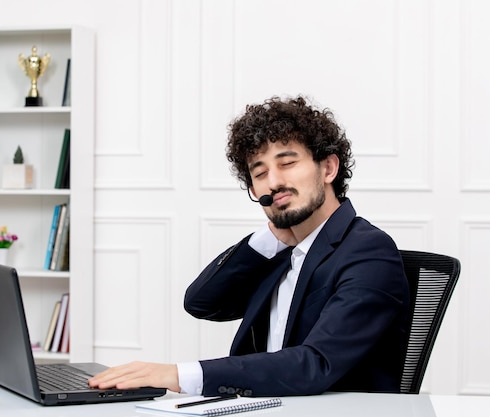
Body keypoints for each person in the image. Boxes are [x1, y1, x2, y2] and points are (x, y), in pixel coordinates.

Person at [88, 95, 410, 396]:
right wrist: (271, 239)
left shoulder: (369, 252)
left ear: (328, 168)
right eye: (260, 172)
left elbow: (316, 364)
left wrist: (178, 376)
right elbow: (201, 302)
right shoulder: (281, 252)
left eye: (287, 163)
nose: (273, 182)